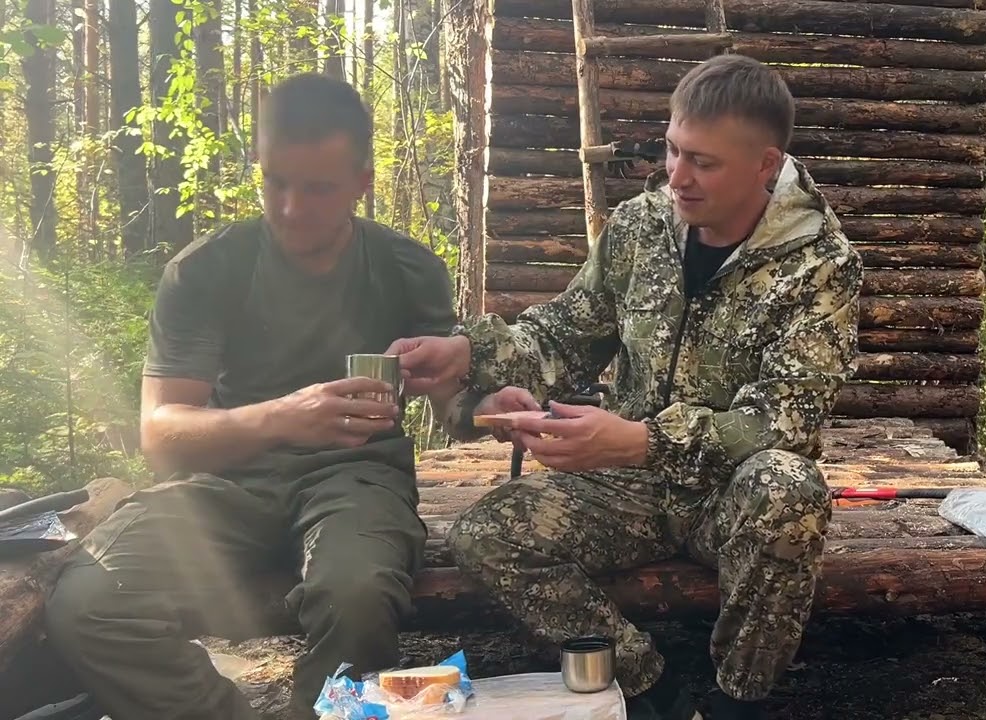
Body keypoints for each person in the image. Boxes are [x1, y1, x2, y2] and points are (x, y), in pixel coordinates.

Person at [390, 54, 863, 720]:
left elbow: (784, 421)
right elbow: (564, 333)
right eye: (672, 150)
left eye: (703, 161)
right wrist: (471, 355)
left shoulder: (822, 264)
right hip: (631, 488)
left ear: (765, 165)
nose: (678, 176)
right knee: (486, 531)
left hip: (732, 490)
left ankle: (738, 703)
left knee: (790, 492)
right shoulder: (641, 227)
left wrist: (641, 442)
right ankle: (648, 692)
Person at [43, 73, 461, 720]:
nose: (291, 208)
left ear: (362, 182)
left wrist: (483, 395)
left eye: (318, 188)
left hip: (358, 478)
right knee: (89, 599)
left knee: (357, 594)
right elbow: (161, 434)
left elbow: (456, 404)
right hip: (226, 480)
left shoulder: (407, 269)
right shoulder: (207, 270)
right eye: (275, 182)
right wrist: (286, 416)